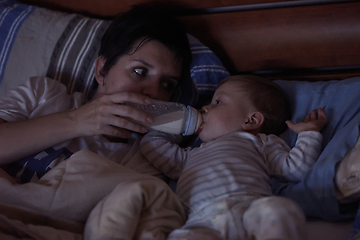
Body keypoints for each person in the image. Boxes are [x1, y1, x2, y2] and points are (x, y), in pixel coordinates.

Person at [0, 4, 192, 183]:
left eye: (167, 84)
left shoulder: (146, 158)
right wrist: (76, 121)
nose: (154, 92)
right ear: (102, 70)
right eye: (140, 71)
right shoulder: (43, 94)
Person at [140, 75, 328, 240]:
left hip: (249, 211)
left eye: (218, 102)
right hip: (201, 221)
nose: (205, 108)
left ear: (251, 120)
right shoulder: (189, 154)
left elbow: (295, 168)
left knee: (279, 209)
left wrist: (308, 134)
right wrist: (178, 126)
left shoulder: (260, 143)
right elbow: (152, 146)